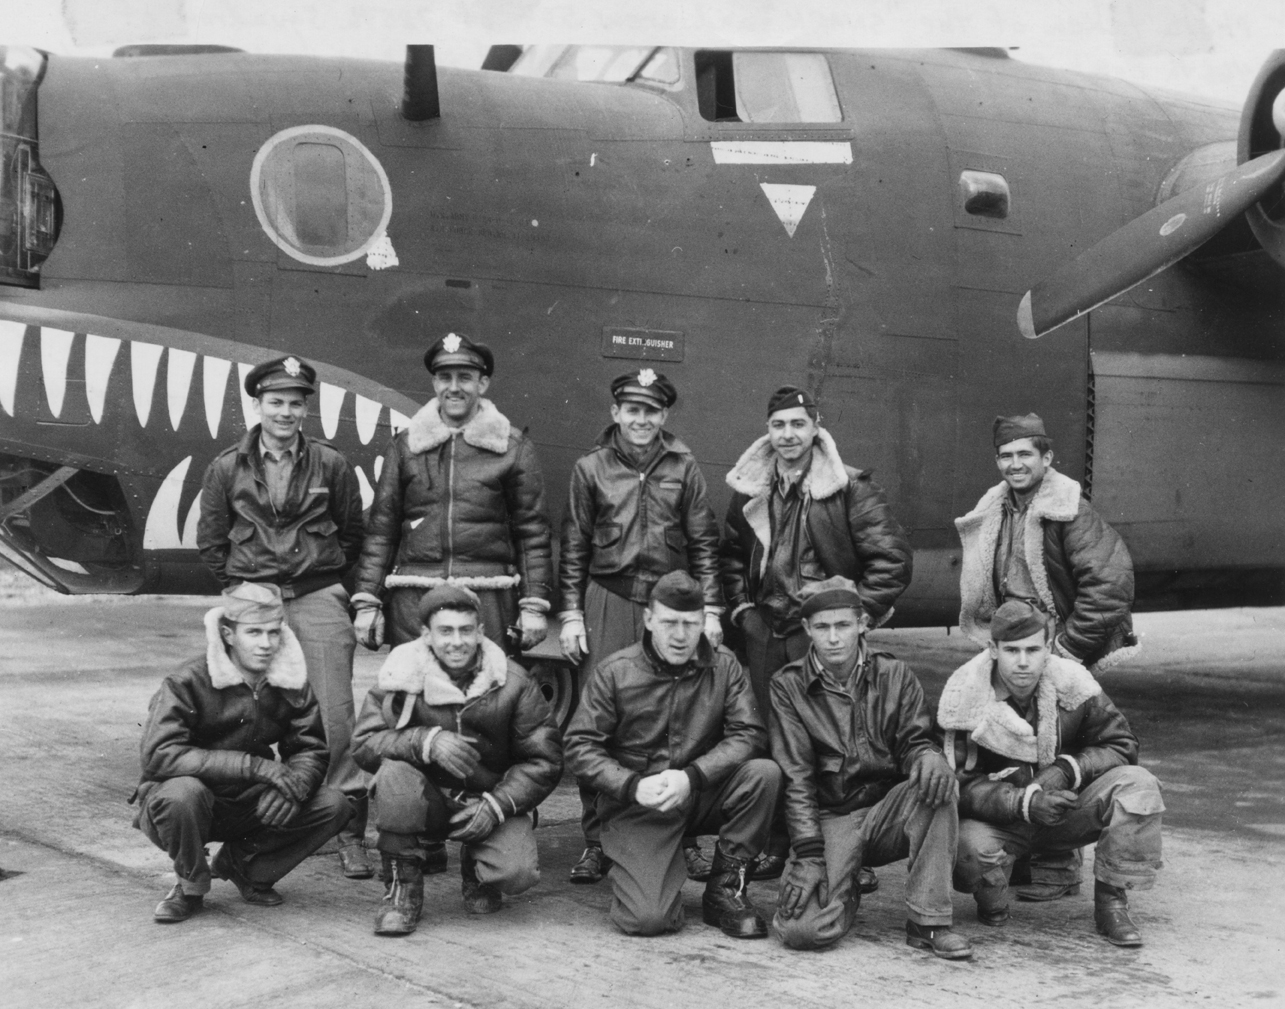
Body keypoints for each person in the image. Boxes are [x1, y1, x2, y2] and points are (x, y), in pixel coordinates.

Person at [721, 385, 912, 884]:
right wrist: (742, 611)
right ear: (768, 430)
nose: (788, 435)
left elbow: (891, 562)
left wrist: (846, 619)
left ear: (815, 427)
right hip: (768, 627)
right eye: (778, 425)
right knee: (772, 740)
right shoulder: (749, 486)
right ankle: (779, 843)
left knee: (835, 744)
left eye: (797, 424)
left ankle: (849, 848)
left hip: (818, 631)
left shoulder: (849, 487)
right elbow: (728, 555)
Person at [196, 355, 370, 879]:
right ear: (257, 404)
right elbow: (210, 541)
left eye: (296, 403)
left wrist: (337, 591)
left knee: (335, 717)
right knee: (241, 715)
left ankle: (348, 831)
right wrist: (241, 596)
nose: (286, 412)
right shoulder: (227, 466)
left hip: (316, 596)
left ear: (306, 408)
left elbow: (353, 534)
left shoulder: (331, 464)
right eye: (276, 402)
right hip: (253, 599)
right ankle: (251, 822)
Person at [956, 412, 1139, 899]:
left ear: (1047, 458)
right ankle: (1027, 849)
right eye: (1006, 455)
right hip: (1019, 644)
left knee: (1066, 745)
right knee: (1017, 748)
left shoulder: (1069, 509)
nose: (1015, 464)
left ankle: (1060, 865)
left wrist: (1068, 651)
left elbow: (1111, 582)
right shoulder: (999, 507)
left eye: (1025, 455)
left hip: (1055, 648)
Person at [559, 369, 723, 886]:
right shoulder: (591, 467)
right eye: (632, 409)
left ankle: (686, 837)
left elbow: (703, 542)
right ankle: (595, 841)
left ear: (664, 415)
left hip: (670, 601)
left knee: (683, 714)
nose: (641, 419)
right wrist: (569, 614)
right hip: (609, 597)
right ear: (615, 413)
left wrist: (712, 609)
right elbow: (575, 547)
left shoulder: (684, 466)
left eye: (651, 410)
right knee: (599, 717)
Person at [564, 571, 782, 939]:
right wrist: (631, 786)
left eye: (690, 624)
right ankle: (649, 866)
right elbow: (579, 746)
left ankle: (725, 889)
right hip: (639, 805)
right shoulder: (615, 672)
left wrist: (693, 776)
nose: (680, 636)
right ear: (649, 620)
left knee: (763, 773)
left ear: (704, 623)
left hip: (699, 792)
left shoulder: (724, 666)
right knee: (648, 920)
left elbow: (749, 733)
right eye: (669, 623)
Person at [769, 577, 973, 959]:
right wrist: (811, 854)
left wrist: (929, 757)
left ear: (862, 624)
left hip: (887, 810)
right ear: (807, 629)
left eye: (843, 625)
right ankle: (844, 886)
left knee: (937, 783)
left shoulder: (894, 674)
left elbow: (914, 741)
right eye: (823, 627)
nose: (833, 638)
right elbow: (796, 777)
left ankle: (927, 922)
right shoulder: (788, 686)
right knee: (803, 932)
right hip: (831, 817)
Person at [939, 600, 1163, 946]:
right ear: (993, 649)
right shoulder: (966, 695)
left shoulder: (1074, 684)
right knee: (967, 848)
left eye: (1032, 649)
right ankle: (993, 897)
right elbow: (960, 784)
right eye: (1012, 650)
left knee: (1139, 786)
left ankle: (1111, 904)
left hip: (1066, 811)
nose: (1024, 661)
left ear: (1048, 648)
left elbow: (1122, 744)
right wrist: (1023, 803)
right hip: (1002, 822)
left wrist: (1067, 769)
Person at [351, 584, 562, 936]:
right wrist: (424, 741)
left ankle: (478, 871)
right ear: (426, 635)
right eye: (445, 631)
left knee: (517, 874)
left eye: (466, 630)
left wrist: (498, 804)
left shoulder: (513, 681)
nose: (456, 641)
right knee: (394, 774)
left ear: (480, 632)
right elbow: (364, 744)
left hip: (487, 800)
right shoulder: (402, 675)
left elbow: (545, 760)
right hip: (429, 799)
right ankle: (402, 890)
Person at [134, 583, 352, 922]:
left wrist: (296, 787)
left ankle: (246, 868)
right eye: (253, 633)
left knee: (333, 804)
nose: (265, 644)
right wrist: (254, 767)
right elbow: (161, 755)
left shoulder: (290, 681)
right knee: (182, 795)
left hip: (248, 803)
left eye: (273, 633)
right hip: (190, 801)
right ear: (228, 634)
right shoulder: (188, 680)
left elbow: (311, 750)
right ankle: (190, 884)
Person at [352, 331, 552, 653]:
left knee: (486, 697)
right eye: (445, 377)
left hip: (487, 597)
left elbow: (532, 534)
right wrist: (367, 601)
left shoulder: (513, 448)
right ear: (434, 384)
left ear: (482, 384)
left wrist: (534, 606)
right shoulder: (406, 446)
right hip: (415, 595)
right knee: (414, 695)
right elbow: (382, 530)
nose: (454, 387)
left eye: (465, 377)